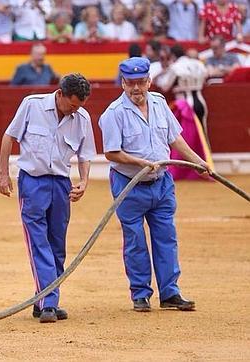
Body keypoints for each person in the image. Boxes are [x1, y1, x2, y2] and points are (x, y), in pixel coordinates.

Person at [98, 57, 212, 313]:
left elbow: (176, 139)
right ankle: (140, 294)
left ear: (149, 81)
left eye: (141, 83)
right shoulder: (113, 114)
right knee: (135, 239)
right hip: (129, 184)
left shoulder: (160, 103)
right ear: (123, 83)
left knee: (166, 237)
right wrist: (140, 163)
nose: (136, 89)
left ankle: (170, 293)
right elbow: (112, 153)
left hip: (161, 182)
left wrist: (198, 161)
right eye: (130, 84)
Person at [0, 73, 96, 323]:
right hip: (33, 181)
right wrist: (3, 174)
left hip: (61, 184)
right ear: (60, 94)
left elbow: (85, 155)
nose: (75, 110)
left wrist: (84, 181)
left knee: (56, 245)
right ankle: (49, 302)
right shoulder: (32, 104)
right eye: (72, 104)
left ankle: (41, 299)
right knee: (39, 243)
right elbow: (9, 137)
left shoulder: (81, 117)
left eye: (79, 106)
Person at [155, 44, 213, 181]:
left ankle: (187, 169)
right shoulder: (198, 63)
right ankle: (209, 167)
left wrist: (162, 72)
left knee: (183, 137)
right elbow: (206, 76)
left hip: (185, 105)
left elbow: (165, 86)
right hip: (200, 100)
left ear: (173, 56)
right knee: (203, 135)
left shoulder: (175, 67)